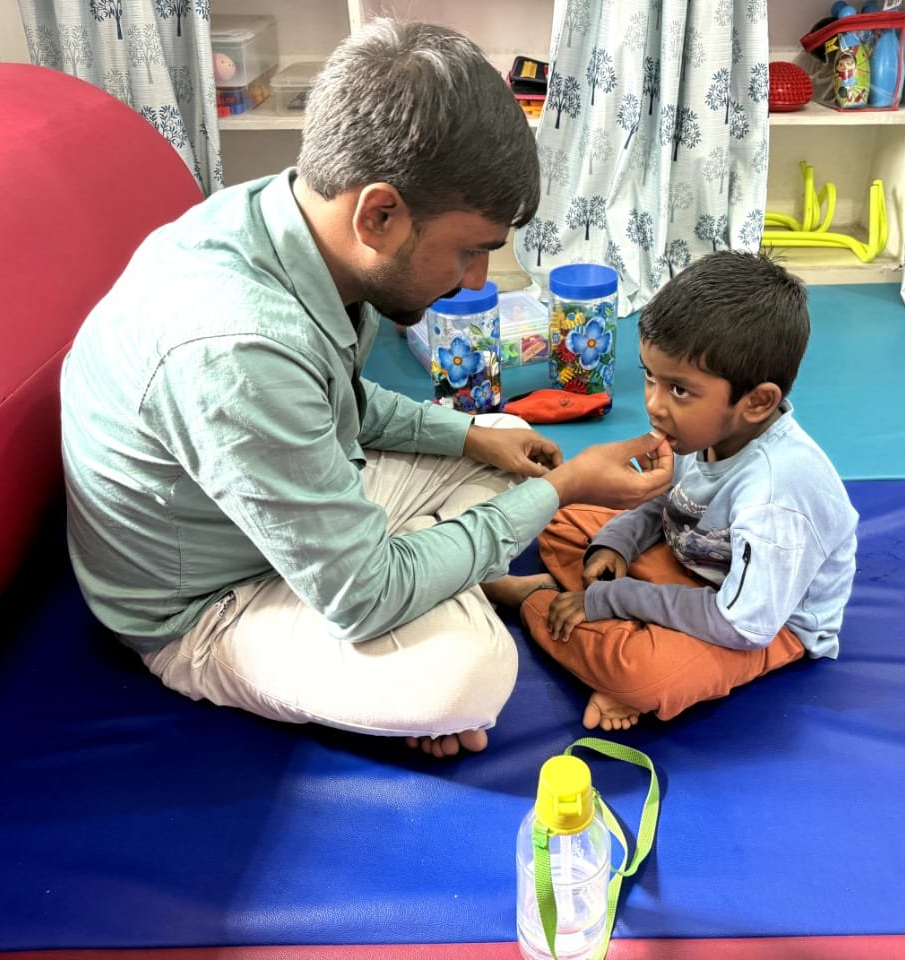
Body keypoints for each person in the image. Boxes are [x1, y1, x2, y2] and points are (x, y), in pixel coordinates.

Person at [59, 19, 673, 759]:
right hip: (211, 601)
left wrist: (472, 438)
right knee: (470, 676)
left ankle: (431, 573)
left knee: (508, 440)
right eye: (469, 251)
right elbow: (361, 598)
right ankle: (435, 594)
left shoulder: (298, 222)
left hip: (277, 514)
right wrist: (564, 488)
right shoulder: (237, 348)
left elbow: (341, 400)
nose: (475, 281)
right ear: (379, 214)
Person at [486, 251, 858, 731]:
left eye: (679, 390)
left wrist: (612, 599)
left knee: (641, 676)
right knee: (562, 509)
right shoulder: (703, 429)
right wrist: (615, 543)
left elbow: (743, 626)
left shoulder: (776, 497)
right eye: (649, 376)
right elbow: (670, 502)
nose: (654, 405)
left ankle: (533, 600)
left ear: (757, 402)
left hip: (761, 622)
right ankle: (610, 612)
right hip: (693, 562)